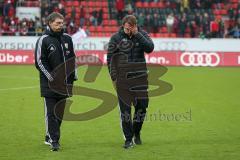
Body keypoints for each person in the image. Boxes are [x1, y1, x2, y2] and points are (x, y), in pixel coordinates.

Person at [107, 15, 154, 149]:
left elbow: (150, 48)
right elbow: (110, 59)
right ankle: (128, 139)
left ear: (135, 26)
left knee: (142, 107)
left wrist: (137, 34)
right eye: (126, 28)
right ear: (123, 26)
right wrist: (114, 78)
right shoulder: (116, 38)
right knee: (125, 111)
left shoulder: (142, 34)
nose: (128, 31)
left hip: (140, 78)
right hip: (123, 80)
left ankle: (136, 132)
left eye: (131, 28)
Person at [34, 12, 77, 151]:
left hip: (65, 84)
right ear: (50, 23)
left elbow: (72, 58)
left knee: (59, 114)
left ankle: (50, 136)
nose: (61, 25)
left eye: (62, 23)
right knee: (51, 114)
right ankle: (54, 141)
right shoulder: (43, 40)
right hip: (50, 84)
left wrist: (73, 74)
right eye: (58, 23)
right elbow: (40, 62)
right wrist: (52, 77)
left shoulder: (68, 39)